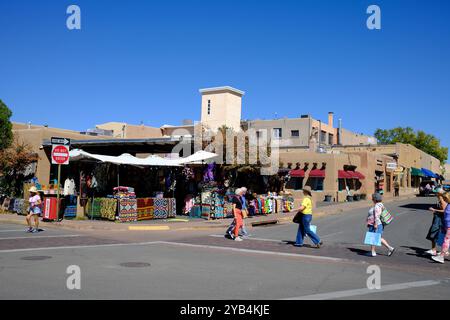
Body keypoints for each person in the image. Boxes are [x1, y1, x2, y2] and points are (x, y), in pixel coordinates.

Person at [432, 192, 450, 264]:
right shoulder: (448, 205)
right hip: (447, 226)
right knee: (447, 241)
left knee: (446, 241)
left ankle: (441, 256)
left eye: (445, 198)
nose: (444, 200)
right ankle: (443, 253)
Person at [426, 189, 446, 256]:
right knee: (434, 234)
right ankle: (434, 249)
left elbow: (444, 211)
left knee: (435, 233)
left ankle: (439, 250)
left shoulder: (442, 200)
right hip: (437, 219)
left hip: (439, 220)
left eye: (436, 193)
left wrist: (434, 209)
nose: (435, 194)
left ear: (439, 194)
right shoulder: (440, 200)